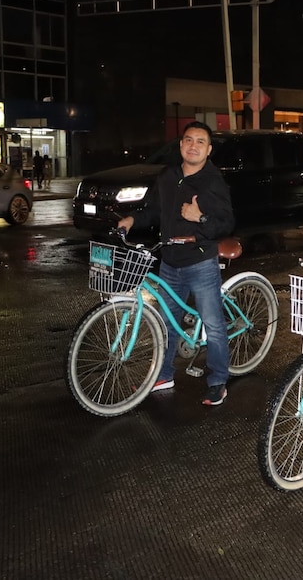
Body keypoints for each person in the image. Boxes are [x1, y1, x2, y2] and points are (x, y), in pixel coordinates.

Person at [117, 121, 235, 406]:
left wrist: (200, 218)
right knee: (167, 322)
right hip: (169, 261)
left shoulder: (213, 180)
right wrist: (132, 220)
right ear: (181, 145)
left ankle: (218, 380)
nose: (193, 146)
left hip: (200, 262)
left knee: (214, 325)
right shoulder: (168, 176)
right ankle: (164, 374)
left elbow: (227, 222)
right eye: (188, 140)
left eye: (200, 142)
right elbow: (154, 210)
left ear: (209, 149)